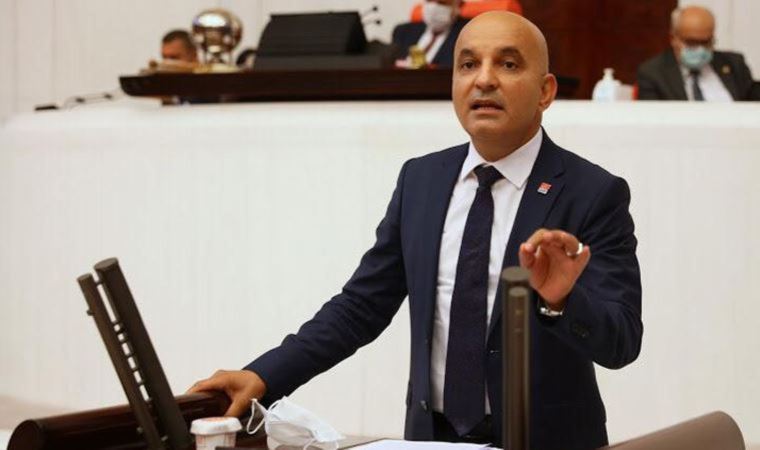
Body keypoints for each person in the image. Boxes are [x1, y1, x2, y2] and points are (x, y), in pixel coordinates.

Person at [190, 11, 642, 449]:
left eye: (507, 64)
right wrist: (265, 375)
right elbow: (360, 307)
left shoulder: (592, 192)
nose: (484, 80)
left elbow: (622, 341)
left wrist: (563, 301)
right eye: (468, 64)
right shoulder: (422, 180)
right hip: (432, 438)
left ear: (545, 92)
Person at [637, 6, 758, 101]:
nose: (699, 49)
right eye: (691, 42)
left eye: (705, 42)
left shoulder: (734, 64)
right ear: (673, 39)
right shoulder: (653, 73)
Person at [392, 0, 467, 68]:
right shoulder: (403, 31)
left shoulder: (465, 33)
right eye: (429, 1)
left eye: (441, 2)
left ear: (457, 4)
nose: (433, 7)